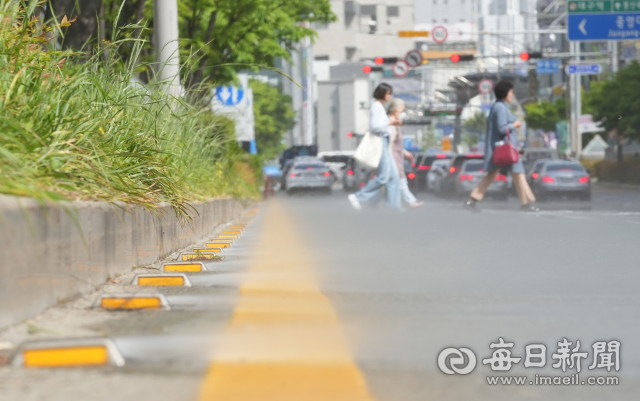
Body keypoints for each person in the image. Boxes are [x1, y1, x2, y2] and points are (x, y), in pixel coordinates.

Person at [465, 80, 538, 212]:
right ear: (505, 93)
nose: (511, 95)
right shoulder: (500, 108)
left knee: (514, 174)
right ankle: (526, 203)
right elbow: (502, 129)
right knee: (518, 174)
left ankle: (473, 200)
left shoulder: (499, 106)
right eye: (510, 92)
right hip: (505, 149)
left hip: (502, 148)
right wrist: (515, 125)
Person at [348, 83, 402, 210]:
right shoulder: (376, 106)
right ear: (382, 93)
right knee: (383, 177)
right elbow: (375, 126)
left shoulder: (380, 107)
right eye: (388, 93)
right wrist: (391, 122)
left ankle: (394, 207)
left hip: (384, 141)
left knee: (394, 176)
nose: (390, 96)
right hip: (380, 142)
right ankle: (358, 197)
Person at [387, 98, 423, 209]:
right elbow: (389, 143)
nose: (403, 113)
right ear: (395, 110)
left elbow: (396, 144)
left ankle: (375, 203)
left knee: (392, 182)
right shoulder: (391, 124)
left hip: (397, 157)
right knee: (399, 180)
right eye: (402, 110)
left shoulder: (395, 123)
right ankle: (410, 202)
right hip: (393, 158)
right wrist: (388, 159)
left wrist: (404, 152)